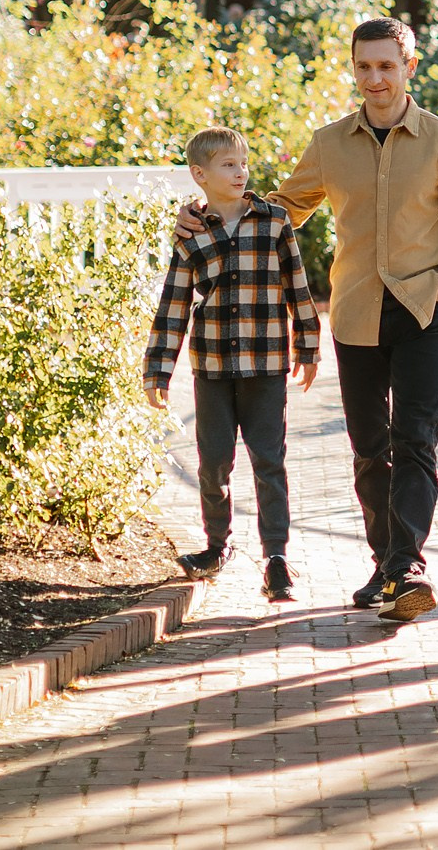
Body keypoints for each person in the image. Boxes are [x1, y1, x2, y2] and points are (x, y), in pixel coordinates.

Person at [177, 16, 438, 622]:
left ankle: (407, 567)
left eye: (387, 66)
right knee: (370, 448)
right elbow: (281, 210)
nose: (375, 78)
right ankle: (387, 565)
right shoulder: (329, 144)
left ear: (409, 67)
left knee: (415, 439)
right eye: (364, 66)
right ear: (353, 68)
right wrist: (205, 211)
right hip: (356, 314)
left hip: (424, 311)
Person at [144, 126, 320, 601]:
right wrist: (158, 368)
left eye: (243, 162)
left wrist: (307, 346)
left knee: (269, 461)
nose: (241, 172)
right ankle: (216, 546)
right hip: (214, 367)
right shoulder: (192, 233)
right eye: (228, 165)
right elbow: (174, 303)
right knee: (213, 463)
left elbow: (297, 285)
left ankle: (276, 557)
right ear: (200, 174)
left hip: (266, 364)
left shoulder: (274, 221)